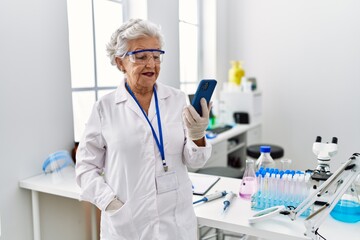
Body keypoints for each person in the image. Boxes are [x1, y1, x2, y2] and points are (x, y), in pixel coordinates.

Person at [75, 18, 212, 240]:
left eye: (156, 57)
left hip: (176, 225)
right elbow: (85, 168)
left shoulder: (177, 99)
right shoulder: (105, 109)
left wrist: (197, 136)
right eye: (141, 57)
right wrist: (109, 202)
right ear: (120, 63)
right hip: (128, 226)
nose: (151, 64)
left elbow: (195, 161)